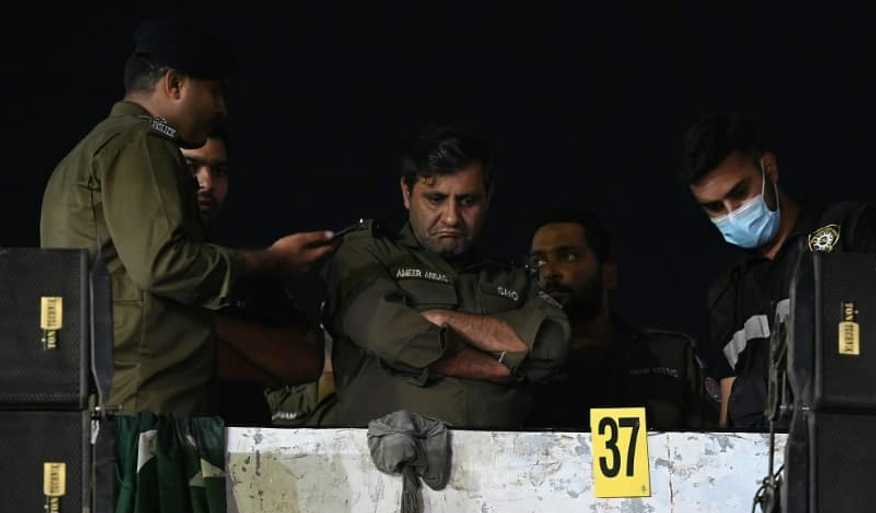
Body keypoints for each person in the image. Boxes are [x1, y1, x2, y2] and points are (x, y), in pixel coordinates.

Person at [39, 18, 336, 415]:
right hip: (147, 405)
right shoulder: (144, 143)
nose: (221, 108)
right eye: (214, 92)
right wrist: (271, 260)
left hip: (110, 396)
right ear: (174, 85)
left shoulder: (89, 151)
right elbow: (164, 264)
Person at [323, 123, 569, 427]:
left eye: (467, 201)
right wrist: (497, 366)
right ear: (406, 192)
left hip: (503, 466)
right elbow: (392, 336)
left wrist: (445, 319)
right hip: (385, 466)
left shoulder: (510, 278)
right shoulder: (366, 254)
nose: (452, 217)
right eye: (435, 199)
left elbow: (552, 344)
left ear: (488, 197)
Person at [681, 112, 876, 430]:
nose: (732, 214)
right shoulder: (724, 294)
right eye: (715, 207)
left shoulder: (847, 231)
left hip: (847, 449)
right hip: (759, 468)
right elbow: (729, 400)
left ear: (769, 169)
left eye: (738, 193)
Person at [181, 127, 326, 425]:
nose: (206, 182)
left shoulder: (246, 269)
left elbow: (304, 363)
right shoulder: (135, 264)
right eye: (190, 167)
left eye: (219, 170)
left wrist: (200, 323)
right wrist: (255, 357)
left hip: (245, 449)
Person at [526, 210, 715, 430]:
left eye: (568, 256)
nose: (549, 272)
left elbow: (713, 450)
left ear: (608, 273)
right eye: (538, 261)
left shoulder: (672, 357)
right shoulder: (518, 368)